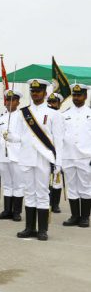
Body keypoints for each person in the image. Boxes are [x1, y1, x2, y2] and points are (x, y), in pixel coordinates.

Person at [4, 79, 64, 241]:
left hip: (44, 159)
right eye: (33, 91)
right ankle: (29, 228)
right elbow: (19, 136)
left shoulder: (54, 114)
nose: (35, 93)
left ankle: (42, 230)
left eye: (38, 91)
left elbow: (58, 140)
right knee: (29, 192)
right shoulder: (22, 113)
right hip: (26, 157)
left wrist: (58, 163)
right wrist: (10, 137)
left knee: (43, 193)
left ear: (45, 93)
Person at [61, 84, 91, 228]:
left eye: (79, 95)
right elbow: (59, 137)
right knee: (72, 187)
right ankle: (74, 216)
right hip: (68, 156)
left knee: (85, 186)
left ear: (85, 96)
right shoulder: (64, 114)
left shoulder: (90, 113)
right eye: (74, 95)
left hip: (86, 157)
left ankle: (85, 217)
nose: (76, 98)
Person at [0, 90, 25, 222]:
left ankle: (17, 212)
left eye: (13, 100)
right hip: (3, 154)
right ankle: (7, 210)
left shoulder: (22, 117)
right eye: (8, 100)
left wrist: (14, 138)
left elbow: (25, 137)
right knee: (7, 184)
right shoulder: (0, 118)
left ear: (18, 102)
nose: (9, 103)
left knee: (18, 184)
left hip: (17, 155)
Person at [47, 92, 64, 213]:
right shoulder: (46, 116)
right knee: (46, 178)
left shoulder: (62, 116)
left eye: (54, 102)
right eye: (50, 102)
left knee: (57, 179)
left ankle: (55, 204)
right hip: (47, 151)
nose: (51, 104)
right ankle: (48, 201)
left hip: (59, 150)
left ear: (59, 103)